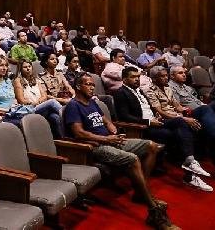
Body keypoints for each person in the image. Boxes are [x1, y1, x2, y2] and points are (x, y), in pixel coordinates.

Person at [65, 73, 177, 229]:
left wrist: (111, 127)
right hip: (95, 146)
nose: (92, 87)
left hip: (111, 140)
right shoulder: (73, 106)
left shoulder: (91, 102)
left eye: (93, 84)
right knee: (132, 159)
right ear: (78, 86)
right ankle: (153, 210)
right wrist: (106, 139)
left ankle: (140, 193)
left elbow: (103, 118)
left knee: (151, 146)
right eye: (88, 84)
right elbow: (79, 133)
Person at [113, 67, 215, 191]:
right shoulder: (121, 93)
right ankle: (190, 169)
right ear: (124, 79)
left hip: (156, 122)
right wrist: (149, 121)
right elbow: (125, 116)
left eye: (138, 77)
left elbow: (150, 109)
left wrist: (155, 116)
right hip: (144, 128)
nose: (137, 79)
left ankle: (190, 165)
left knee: (181, 126)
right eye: (133, 77)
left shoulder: (139, 91)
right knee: (180, 128)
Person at [145, 66, 215, 182]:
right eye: (162, 76)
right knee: (208, 115)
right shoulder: (150, 90)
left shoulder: (167, 88)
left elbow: (178, 106)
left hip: (180, 116)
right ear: (153, 78)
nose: (165, 78)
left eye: (165, 75)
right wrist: (184, 118)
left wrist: (184, 111)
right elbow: (160, 111)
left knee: (210, 111)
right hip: (170, 120)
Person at [14, 60, 64, 138]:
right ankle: (69, 117)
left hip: (40, 107)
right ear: (20, 69)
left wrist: (40, 100)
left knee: (55, 117)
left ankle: (62, 140)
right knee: (52, 102)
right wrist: (34, 103)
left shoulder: (36, 80)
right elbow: (21, 100)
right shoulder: (18, 81)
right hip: (29, 109)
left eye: (29, 66)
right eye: (25, 67)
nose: (28, 69)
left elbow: (44, 95)